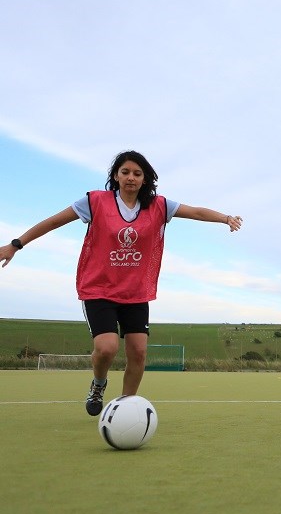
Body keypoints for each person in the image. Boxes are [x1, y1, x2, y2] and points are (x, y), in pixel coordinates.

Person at [0, 151, 242, 416]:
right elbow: (54, 221)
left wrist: (225, 218)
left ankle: (126, 409)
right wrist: (16, 244)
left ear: (145, 179)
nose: (131, 177)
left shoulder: (158, 205)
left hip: (136, 293)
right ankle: (99, 384)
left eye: (137, 174)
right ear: (116, 175)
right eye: (125, 172)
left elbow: (195, 211)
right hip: (98, 289)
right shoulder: (95, 202)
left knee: (138, 352)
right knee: (107, 348)